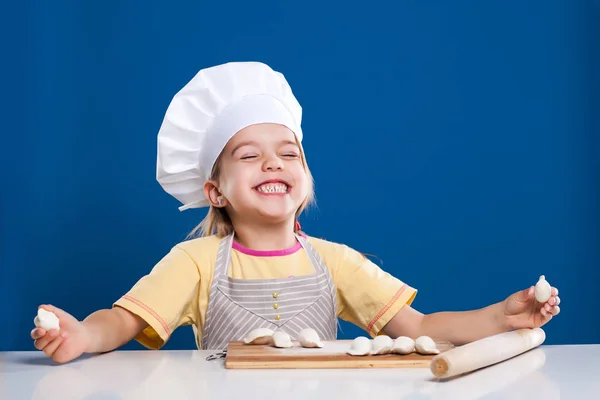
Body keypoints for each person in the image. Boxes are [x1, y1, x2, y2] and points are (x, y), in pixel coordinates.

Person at [31, 61, 561, 363]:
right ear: (216, 191)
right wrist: (82, 335)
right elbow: (122, 321)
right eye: (249, 155)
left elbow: (421, 326)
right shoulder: (194, 263)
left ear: (305, 180)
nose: (272, 162)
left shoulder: (337, 262)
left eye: (288, 154)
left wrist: (498, 318)